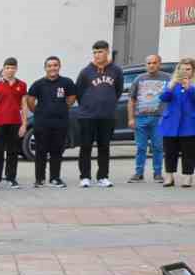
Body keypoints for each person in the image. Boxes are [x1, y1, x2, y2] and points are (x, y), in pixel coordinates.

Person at [75, 40, 124, 187]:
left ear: (107, 52)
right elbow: (79, 92)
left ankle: (103, 176)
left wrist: (107, 102)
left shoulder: (116, 71)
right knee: (86, 146)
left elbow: (118, 90)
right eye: (95, 52)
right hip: (87, 116)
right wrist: (90, 104)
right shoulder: (86, 72)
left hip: (107, 116)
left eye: (100, 52)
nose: (97, 55)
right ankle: (85, 177)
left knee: (104, 146)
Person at [25, 57, 76, 188]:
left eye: (55, 65)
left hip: (60, 123)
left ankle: (55, 178)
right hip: (42, 123)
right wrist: (38, 111)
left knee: (57, 151)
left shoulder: (67, 82)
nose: (52, 68)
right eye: (49, 66)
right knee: (41, 151)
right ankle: (39, 179)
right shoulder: (38, 84)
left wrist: (62, 108)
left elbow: (71, 98)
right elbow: (30, 100)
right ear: (45, 68)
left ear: (59, 67)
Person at [0, 58, 28, 189]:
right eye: (7, 68)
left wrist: (24, 124)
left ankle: (11, 177)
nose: (10, 70)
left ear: (16, 69)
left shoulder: (21, 85)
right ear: (3, 69)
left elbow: (24, 105)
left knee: (13, 151)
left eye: (12, 68)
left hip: (15, 122)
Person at [128, 53, 169, 183]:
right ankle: (138, 173)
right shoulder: (139, 79)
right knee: (141, 147)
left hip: (159, 118)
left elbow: (173, 98)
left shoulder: (167, 78)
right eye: (149, 63)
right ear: (146, 65)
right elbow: (131, 100)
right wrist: (131, 118)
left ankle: (158, 173)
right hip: (141, 117)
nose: (151, 65)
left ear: (159, 64)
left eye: (154, 63)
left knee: (158, 147)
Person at [160, 57, 195, 188]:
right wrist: (171, 86)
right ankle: (169, 177)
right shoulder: (172, 83)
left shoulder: (193, 84)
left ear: (193, 71)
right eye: (182, 69)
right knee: (169, 152)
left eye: (188, 69)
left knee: (189, 153)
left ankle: (187, 177)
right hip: (171, 124)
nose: (185, 72)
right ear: (178, 70)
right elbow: (163, 98)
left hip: (189, 124)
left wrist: (189, 88)